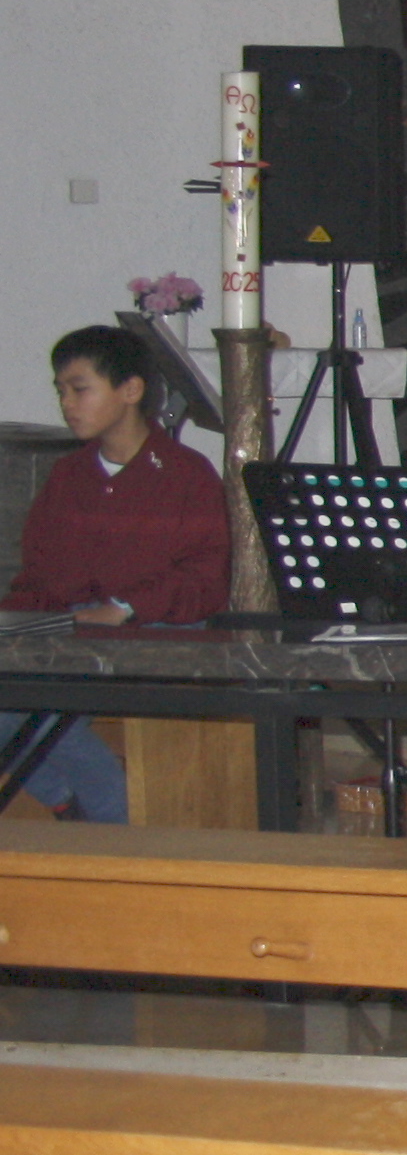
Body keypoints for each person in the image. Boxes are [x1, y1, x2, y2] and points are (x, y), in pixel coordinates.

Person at [2, 325, 229, 821]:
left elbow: (204, 578)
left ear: (131, 390)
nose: (66, 404)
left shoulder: (185, 473)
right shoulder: (69, 475)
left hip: (158, 628)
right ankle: (68, 801)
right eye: (61, 390)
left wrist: (125, 607)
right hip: (77, 630)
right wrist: (13, 621)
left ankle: (111, 818)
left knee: (46, 712)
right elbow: (39, 576)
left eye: (79, 389)